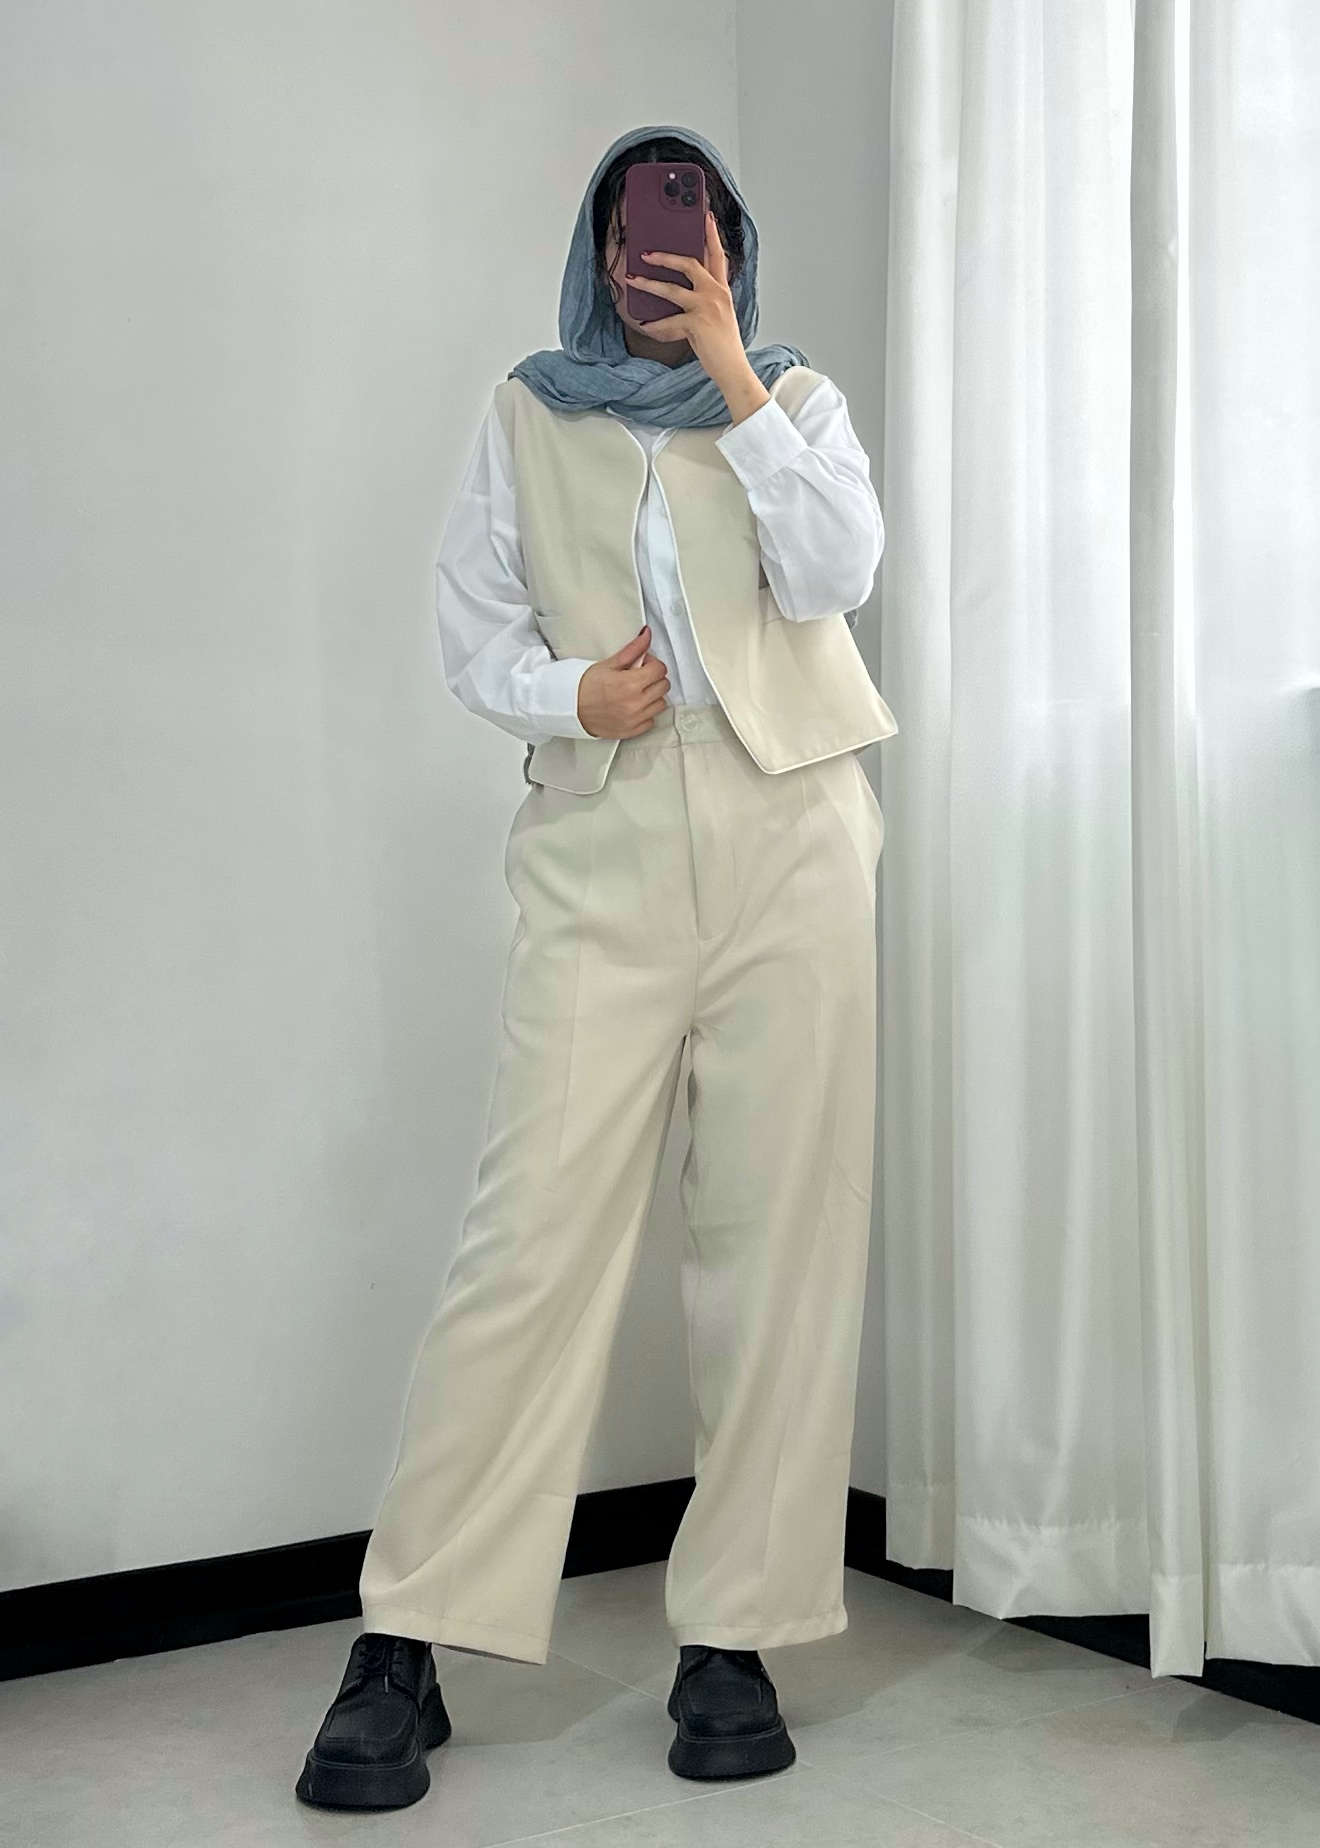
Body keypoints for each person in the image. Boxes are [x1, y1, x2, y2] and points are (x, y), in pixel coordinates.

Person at [295, 122, 897, 1814]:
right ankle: (408, 1638)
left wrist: (734, 375)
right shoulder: (529, 410)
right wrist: (575, 697)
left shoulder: (795, 398)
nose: (663, 256)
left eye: (694, 229)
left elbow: (840, 572)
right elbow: (473, 623)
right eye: (639, 229)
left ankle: (736, 1638)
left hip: (792, 834)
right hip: (603, 836)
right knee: (529, 1237)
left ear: (730, 246)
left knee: (780, 1242)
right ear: (598, 243)